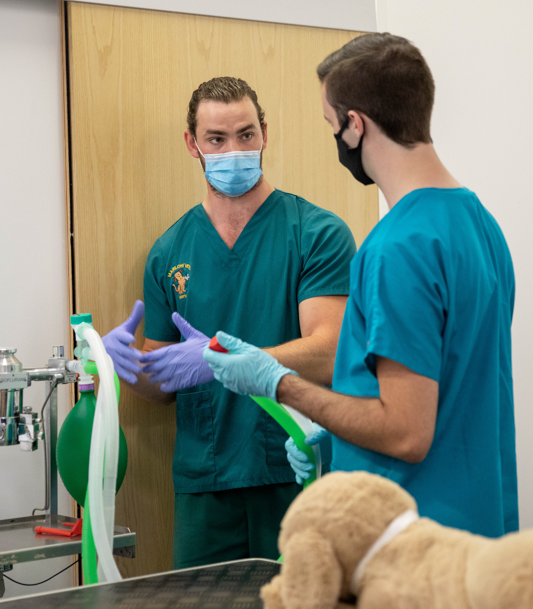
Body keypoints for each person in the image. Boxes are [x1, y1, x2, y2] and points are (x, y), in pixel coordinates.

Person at [202, 34, 518, 537]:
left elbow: (406, 432)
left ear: (355, 125)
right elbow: (448, 383)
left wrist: (279, 384)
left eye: (331, 124)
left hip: (412, 544)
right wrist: (334, 436)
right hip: (476, 531)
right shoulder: (479, 224)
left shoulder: (398, 247)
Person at [101, 77, 357, 568]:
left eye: (245, 135)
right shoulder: (169, 251)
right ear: (192, 143)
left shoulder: (315, 234)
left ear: (265, 132)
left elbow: (329, 351)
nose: (233, 150)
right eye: (217, 140)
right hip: (205, 480)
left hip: (295, 468)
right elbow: (164, 382)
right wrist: (129, 367)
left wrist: (216, 358)